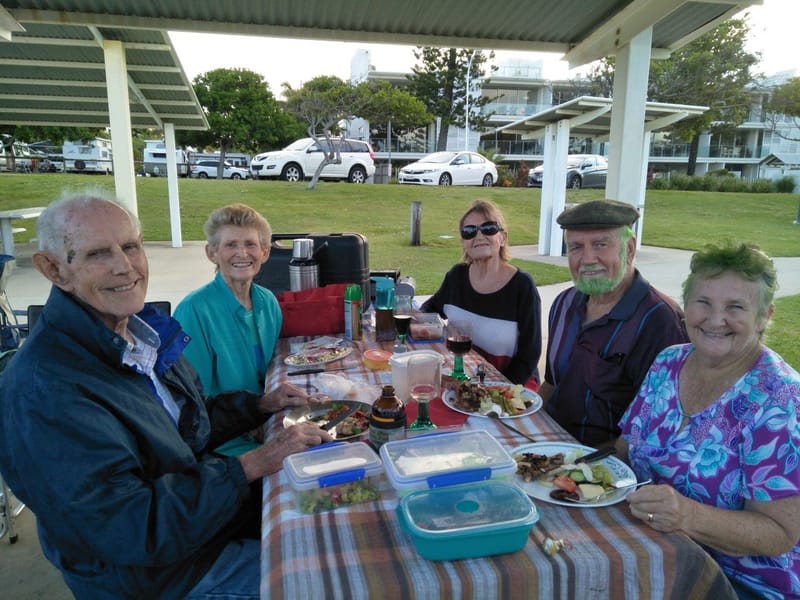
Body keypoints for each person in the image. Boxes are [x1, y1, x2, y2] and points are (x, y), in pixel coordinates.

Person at [0, 192, 332, 600]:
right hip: (161, 575)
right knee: (324, 578)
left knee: (332, 507)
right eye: (98, 254)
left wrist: (258, 405)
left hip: (199, 524)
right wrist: (250, 464)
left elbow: (184, 424)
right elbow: (131, 526)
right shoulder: (46, 390)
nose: (125, 267)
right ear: (53, 269)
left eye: (131, 246)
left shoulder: (138, 334)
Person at [617, 242, 800, 600]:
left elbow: (780, 532)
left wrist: (686, 516)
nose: (716, 320)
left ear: (764, 316)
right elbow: (625, 450)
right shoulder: (668, 362)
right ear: (686, 307)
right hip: (652, 552)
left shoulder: (781, 399)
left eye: (736, 307)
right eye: (704, 303)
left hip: (742, 584)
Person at [540, 199, 687, 446]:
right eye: (576, 247)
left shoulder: (660, 321)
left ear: (629, 249)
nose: (587, 259)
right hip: (549, 445)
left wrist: (581, 464)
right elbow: (553, 384)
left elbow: (661, 427)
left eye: (600, 244)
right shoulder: (564, 304)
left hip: (607, 467)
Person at [174, 203, 281, 456]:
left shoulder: (267, 302)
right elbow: (194, 404)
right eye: (231, 245)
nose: (242, 253)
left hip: (265, 418)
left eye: (250, 244)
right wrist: (250, 426)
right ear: (211, 253)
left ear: (265, 252)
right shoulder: (193, 311)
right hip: (224, 442)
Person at [421, 199, 541, 387]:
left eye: (488, 228)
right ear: (464, 242)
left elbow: (529, 357)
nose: (478, 236)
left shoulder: (522, 286)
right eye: (469, 232)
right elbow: (429, 309)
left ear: (502, 238)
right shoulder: (456, 276)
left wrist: (496, 390)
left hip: (510, 384)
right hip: (465, 377)